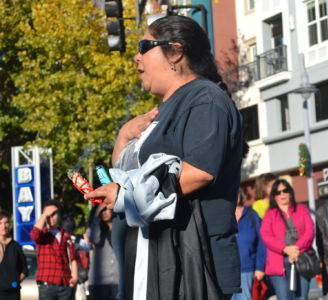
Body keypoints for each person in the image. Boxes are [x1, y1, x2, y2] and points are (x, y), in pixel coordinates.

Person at [85, 15, 243, 300]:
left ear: (176, 52)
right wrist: (123, 137)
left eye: (144, 46)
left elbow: (200, 171)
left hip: (194, 266)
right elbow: (125, 176)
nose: (136, 56)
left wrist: (127, 194)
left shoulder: (205, 99)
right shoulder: (165, 108)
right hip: (159, 263)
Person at [260, 179, 314, 300]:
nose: (282, 194)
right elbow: (266, 236)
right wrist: (285, 249)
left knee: (302, 297)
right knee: (284, 298)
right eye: (278, 192)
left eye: (285, 190)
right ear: (274, 196)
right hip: (278, 264)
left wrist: (296, 249)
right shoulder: (270, 214)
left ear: (291, 192)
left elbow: (310, 232)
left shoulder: (302, 209)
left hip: (301, 259)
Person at [30, 200, 78, 300]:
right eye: (48, 214)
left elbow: (73, 257)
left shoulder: (65, 235)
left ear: (59, 215)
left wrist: (75, 276)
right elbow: (34, 234)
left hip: (65, 283)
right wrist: (44, 215)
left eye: (54, 214)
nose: (51, 217)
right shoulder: (42, 235)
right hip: (47, 286)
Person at [232, 189, 266, 300]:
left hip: (247, 270)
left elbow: (262, 242)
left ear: (241, 195)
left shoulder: (251, 214)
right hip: (226, 271)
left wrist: (260, 267)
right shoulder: (222, 215)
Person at [86, 203, 119, 300]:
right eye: (101, 211)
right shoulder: (94, 230)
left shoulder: (120, 229)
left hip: (118, 281)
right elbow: (94, 238)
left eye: (106, 209)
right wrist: (96, 215)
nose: (103, 213)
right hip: (98, 282)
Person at [0, 210, 28, 300]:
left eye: (6, 223)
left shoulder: (15, 246)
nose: (4, 226)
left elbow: (24, 269)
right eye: (0, 223)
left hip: (13, 294)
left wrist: (16, 281)